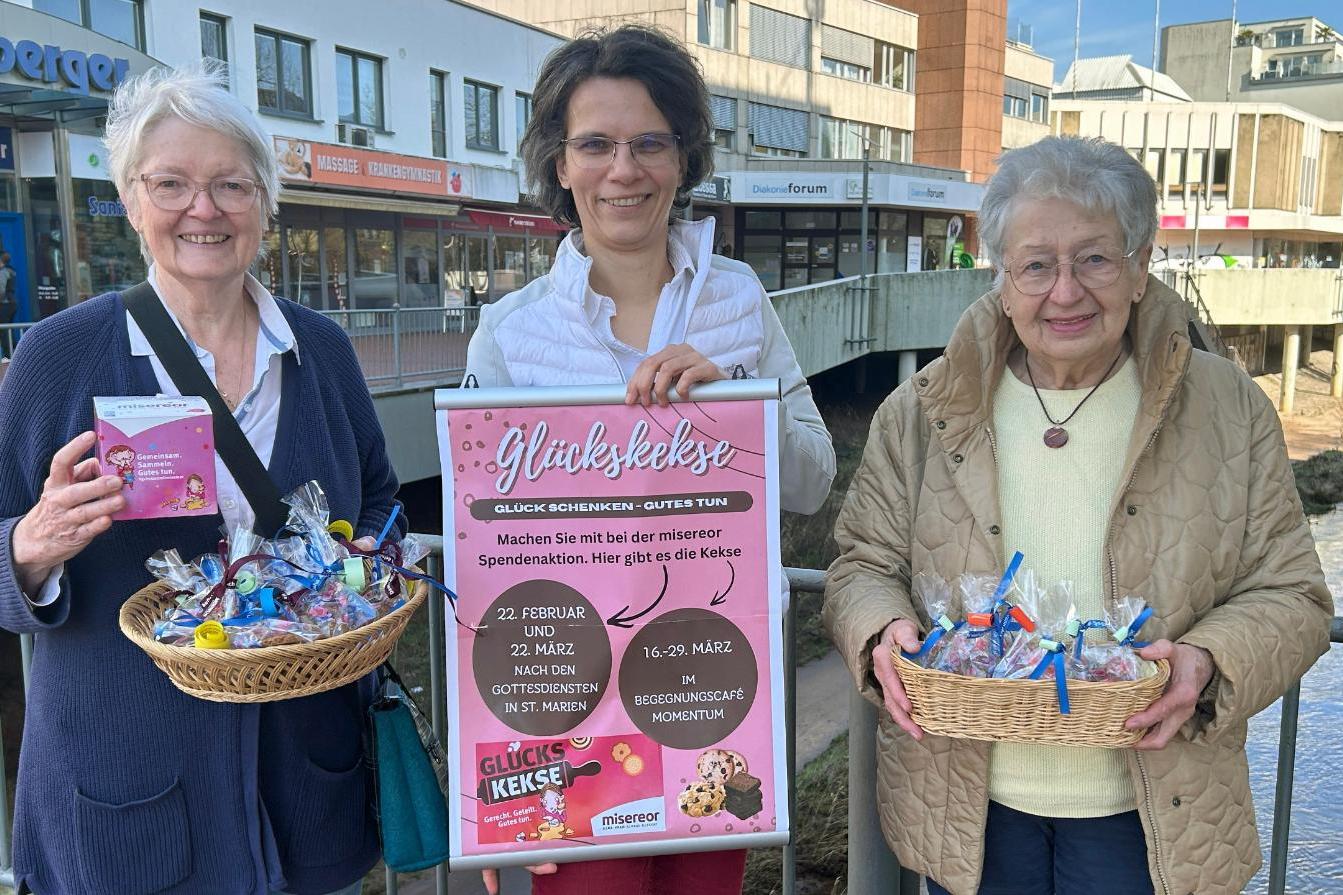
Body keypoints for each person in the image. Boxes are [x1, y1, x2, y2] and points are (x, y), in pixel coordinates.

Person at [823, 136, 1333, 895]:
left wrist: (1208, 660)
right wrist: (879, 629)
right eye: (1035, 264)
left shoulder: (1226, 407)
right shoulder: (922, 409)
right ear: (1000, 277)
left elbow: (1295, 596)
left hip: (1156, 807)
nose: (1064, 292)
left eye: (1093, 259)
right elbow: (861, 563)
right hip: (967, 808)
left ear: (1138, 266)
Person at [0, 64, 402, 895]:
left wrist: (365, 560)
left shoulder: (320, 351)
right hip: (125, 781)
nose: (204, 210)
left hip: (301, 772)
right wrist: (29, 549)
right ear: (132, 199)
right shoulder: (58, 358)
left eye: (230, 185)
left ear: (264, 201)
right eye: (172, 184)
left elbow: (380, 498)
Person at [465, 24, 836, 895]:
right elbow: (483, 564)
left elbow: (814, 478)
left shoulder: (741, 300)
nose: (621, 170)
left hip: (709, 693)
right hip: (568, 714)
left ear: (682, 158)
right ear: (559, 164)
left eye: (648, 143)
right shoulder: (511, 331)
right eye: (593, 144)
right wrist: (494, 803)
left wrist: (731, 411)